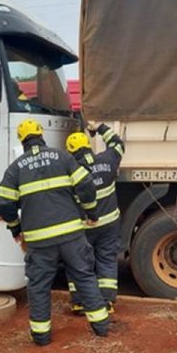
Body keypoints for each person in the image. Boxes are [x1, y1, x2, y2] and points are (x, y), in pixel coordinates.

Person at [0, 118, 110, 346]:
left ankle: (41, 336)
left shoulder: (15, 168)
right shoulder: (63, 157)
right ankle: (101, 328)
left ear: (22, 140)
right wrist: (91, 213)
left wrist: (16, 229)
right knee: (84, 277)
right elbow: (86, 185)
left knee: (39, 287)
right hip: (72, 236)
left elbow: (4, 202)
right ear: (41, 134)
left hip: (40, 242)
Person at [65, 122, 125, 315]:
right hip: (109, 224)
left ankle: (79, 302)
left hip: (85, 225)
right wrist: (100, 127)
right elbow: (117, 144)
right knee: (107, 259)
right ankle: (107, 302)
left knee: (79, 262)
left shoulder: (72, 172)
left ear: (71, 152)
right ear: (89, 146)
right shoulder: (108, 160)